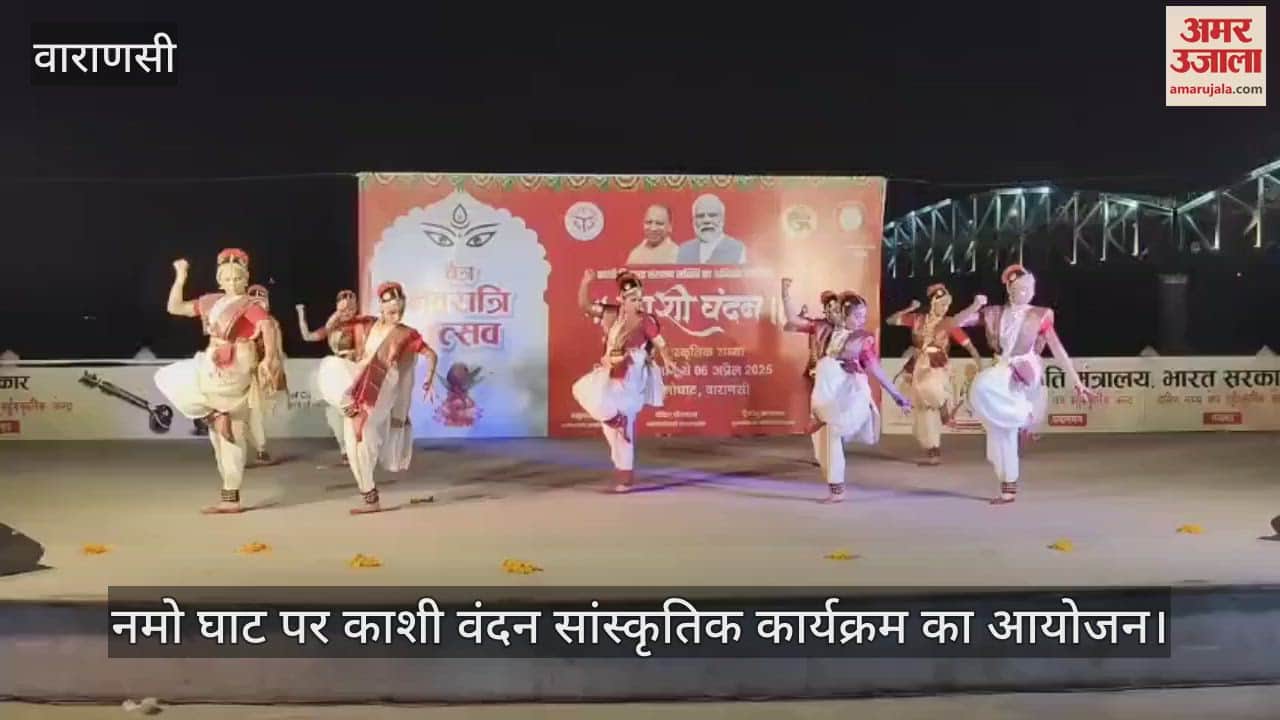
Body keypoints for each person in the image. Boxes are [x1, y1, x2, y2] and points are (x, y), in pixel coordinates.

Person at [154, 249, 285, 514]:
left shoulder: (250, 306)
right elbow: (174, 308)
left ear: (246, 279)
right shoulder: (212, 301)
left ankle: (215, 414)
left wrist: (270, 357)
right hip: (213, 361)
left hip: (235, 364)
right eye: (228, 278)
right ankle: (230, 496)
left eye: (238, 278)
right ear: (219, 280)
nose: (233, 283)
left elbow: (268, 327)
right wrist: (180, 277)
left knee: (231, 431)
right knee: (223, 436)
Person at [951, 265, 1095, 505]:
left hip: (1024, 367)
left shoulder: (1039, 315)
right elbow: (953, 324)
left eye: (1031, 287)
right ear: (1009, 290)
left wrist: (1077, 381)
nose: (1028, 292)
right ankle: (1008, 487)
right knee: (1000, 433)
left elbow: (1057, 348)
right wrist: (974, 306)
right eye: (1021, 288)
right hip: (1002, 368)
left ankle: (1026, 415)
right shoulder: (994, 313)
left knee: (982, 384)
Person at [316, 282, 438, 514]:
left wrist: (430, 377)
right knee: (330, 367)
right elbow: (333, 328)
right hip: (360, 376)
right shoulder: (369, 324)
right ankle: (370, 496)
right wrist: (339, 312)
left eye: (399, 311)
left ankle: (354, 413)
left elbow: (430, 354)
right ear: (381, 308)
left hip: (384, 383)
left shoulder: (405, 333)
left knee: (364, 436)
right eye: (391, 311)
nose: (396, 316)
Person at [572, 269, 679, 493]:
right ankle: (614, 419)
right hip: (610, 370)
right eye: (632, 299)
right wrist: (585, 283)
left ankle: (625, 478)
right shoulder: (610, 313)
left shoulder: (646, 321)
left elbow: (661, 344)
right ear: (621, 299)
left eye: (640, 298)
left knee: (621, 428)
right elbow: (584, 305)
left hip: (632, 377)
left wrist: (668, 360)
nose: (638, 303)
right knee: (582, 390)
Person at [808, 292, 912, 503]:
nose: (862, 320)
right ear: (843, 315)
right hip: (827, 388)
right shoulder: (827, 332)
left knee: (837, 424)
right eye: (857, 316)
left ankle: (828, 418)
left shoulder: (861, 339)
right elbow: (793, 322)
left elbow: (875, 369)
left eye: (864, 316)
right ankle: (836, 488)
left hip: (850, 391)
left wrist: (897, 395)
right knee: (825, 441)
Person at [885, 284, 982, 465]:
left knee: (929, 388)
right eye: (942, 304)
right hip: (918, 365)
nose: (945, 308)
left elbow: (969, 346)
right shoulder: (917, 320)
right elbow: (890, 321)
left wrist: (980, 365)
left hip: (938, 365)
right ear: (933, 303)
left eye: (947, 305)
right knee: (923, 412)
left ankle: (944, 406)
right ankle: (933, 451)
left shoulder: (948, 323)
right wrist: (910, 308)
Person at [297, 289, 368, 466]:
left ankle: (358, 447)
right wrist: (301, 314)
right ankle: (345, 449)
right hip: (336, 371)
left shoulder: (362, 325)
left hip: (355, 370)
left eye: (352, 307)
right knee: (334, 413)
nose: (348, 312)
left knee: (355, 412)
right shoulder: (332, 327)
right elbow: (308, 336)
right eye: (344, 308)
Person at [780, 279, 842, 467]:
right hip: (820, 376)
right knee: (818, 414)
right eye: (828, 309)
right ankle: (822, 454)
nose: (832, 312)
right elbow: (791, 322)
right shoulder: (819, 326)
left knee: (836, 416)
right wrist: (785, 294)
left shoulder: (851, 330)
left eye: (835, 308)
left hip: (842, 379)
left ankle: (834, 452)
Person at [245, 284, 287, 465]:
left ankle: (261, 449)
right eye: (254, 302)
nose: (259, 305)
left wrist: (276, 371)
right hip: (242, 372)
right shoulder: (242, 322)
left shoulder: (272, 323)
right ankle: (252, 450)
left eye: (261, 301)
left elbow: (278, 350)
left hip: (260, 373)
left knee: (257, 412)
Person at [675, 194, 747, 265]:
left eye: (712, 215)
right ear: (694, 220)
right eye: (700, 216)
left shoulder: (738, 249)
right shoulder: (684, 250)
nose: (706, 220)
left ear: (723, 219)